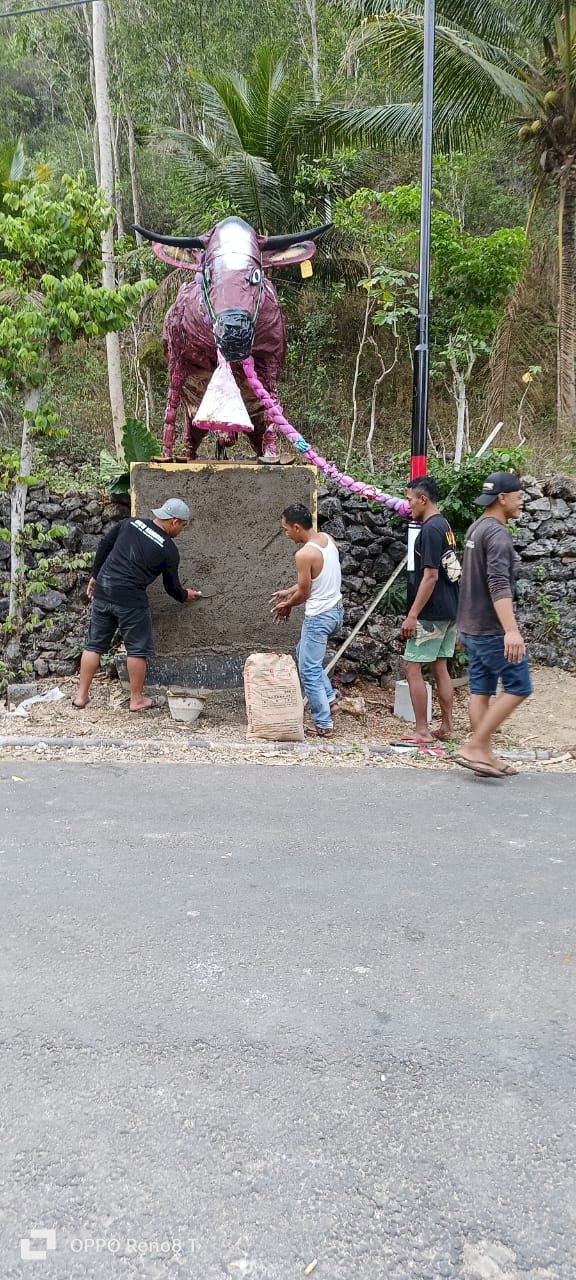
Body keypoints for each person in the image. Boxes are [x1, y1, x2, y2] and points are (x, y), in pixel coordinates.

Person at [73, 498, 201, 713]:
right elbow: (171, 587)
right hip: (131, 600)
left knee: (94, 645)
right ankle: (136, 700)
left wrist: (95, 576)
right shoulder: (168, 549)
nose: (181, 530)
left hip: (104, 590)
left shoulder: (130, 523)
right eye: (183, 526)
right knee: (137, 650)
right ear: (175, 522)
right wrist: (185, 595)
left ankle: (81, 697)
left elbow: (105, 545)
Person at [455, 471, 532, 778]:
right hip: (490, 629)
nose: (521, 501)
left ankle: (483, 754)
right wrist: (511, 631)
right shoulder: (498, 534)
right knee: (519, 686)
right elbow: (498, 583)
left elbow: (468, 580)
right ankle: (476, 745)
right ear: (503, 497)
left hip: (471, 626)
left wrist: (462, 624)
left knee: (481, 689)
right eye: (518, 495)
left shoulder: (477, 528)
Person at [270, 503, 343, 737]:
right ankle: (330, 698)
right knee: (303, 653)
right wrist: (288, 592)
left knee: (309, 670)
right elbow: (314, 580)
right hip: (336, 612)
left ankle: (323, 723)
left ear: (297, 527)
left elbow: (305, 593)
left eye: (286, 529)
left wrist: (287, 605)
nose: (286, 534)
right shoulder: (327, 540)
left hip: (318, 617)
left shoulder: (303, 554)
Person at [399, 476, 460, 744]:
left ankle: (422, 731)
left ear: (423, 499)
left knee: (412, 667)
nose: (407, 505)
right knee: (440, 667)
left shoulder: (430, 530)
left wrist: (413, 614)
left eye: (410, 499)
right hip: (450, 608)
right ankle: (446, 727)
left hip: (431, 612)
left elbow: (431, 576)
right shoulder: (444, 525)